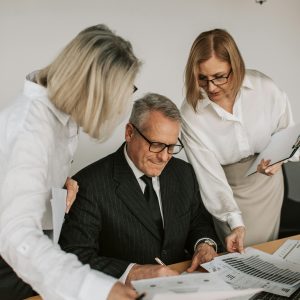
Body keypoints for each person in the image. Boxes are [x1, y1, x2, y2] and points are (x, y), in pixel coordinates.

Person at [0, 24, 141, 300]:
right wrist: (100, 290)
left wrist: (55, 186)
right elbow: (16, 236)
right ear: (91, 90)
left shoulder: (60, 115)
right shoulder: (29, 130)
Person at [59, 93, 219, 285]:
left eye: (171, 147)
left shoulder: (184, 173)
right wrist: (131, 272)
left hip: (183, 286)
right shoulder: (89, 185)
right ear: (129, 133)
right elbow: (76, 256)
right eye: (157, 145)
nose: (164, 157)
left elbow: (198, 221)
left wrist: (204, 244)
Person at [180, 28, 298, 253]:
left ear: (235, 66)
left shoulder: (264, 87)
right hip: (227, 190)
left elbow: (290, 135)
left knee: (269, 250)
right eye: (202, 79)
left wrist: (280, 159)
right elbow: (210, 178)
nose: (211, 87)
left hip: (269, 186)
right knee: (240, 254)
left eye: (219, 77)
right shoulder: (190, 114)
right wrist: (235, 221)